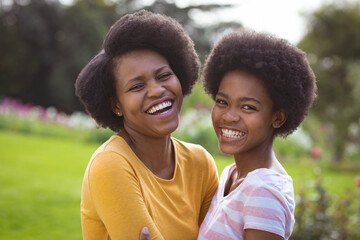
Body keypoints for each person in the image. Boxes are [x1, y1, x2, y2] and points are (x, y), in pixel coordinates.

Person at [75, 10, 219, 240]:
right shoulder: (110, 164)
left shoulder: (200, 163)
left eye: (163, 76)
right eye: (136, 87)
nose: (156, 91)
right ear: (116, 105)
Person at [196, 30, 317, 240]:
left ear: (277, 118)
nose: (229, 116)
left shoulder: (263, 191)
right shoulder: (232, 174)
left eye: (248, 107)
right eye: (222, 102)